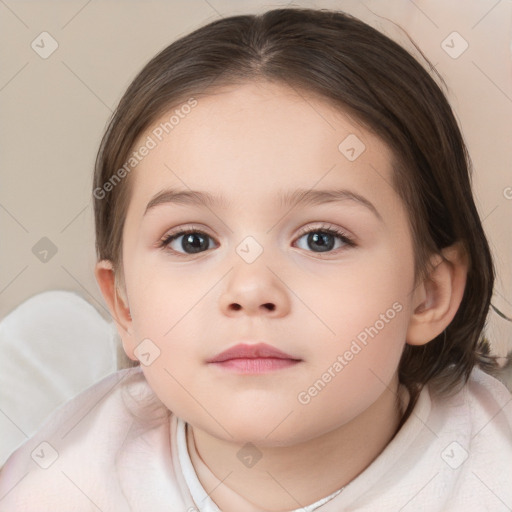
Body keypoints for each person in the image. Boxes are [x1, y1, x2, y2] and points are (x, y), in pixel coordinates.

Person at [1, 6, 511, 511]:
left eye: (321, 240)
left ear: (429, 294)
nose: (250, 290)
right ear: (126, 308)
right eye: (192, 241)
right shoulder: (55, 490)